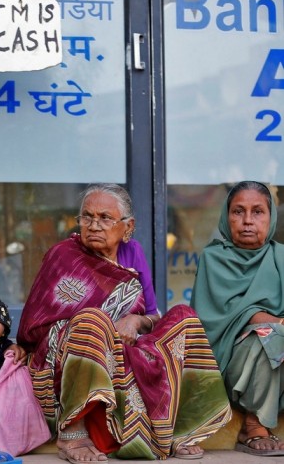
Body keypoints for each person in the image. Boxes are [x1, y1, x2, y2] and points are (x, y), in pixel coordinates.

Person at [17, 183, 231, 463]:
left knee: (184, 317)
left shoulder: (133, 253)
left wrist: (135, 320)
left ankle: (180, 430)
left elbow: (153, 314)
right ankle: (73, 433)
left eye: (105, 218)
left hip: (125, 352)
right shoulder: (63, 255)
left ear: (127, 226)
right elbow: (33, 328)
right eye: (87, 217)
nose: (94, 225)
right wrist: (103, 328)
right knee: (93, 320)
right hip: (68, 358)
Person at [191, 180, 284, 456]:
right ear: (226, 216)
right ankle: (253, 425)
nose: (247, 221)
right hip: (232, 365)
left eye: (258, 212)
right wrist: (267, 320)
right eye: (238, 211)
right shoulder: (213, 259)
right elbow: (213, 322)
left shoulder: (280, 257)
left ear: (271, 217)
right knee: (269, 337)